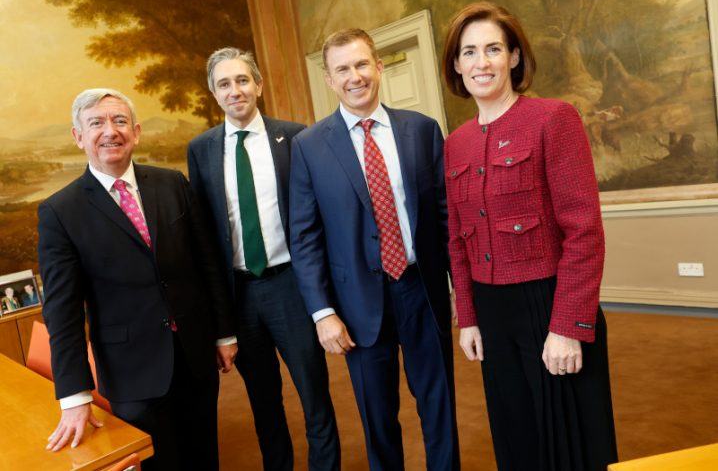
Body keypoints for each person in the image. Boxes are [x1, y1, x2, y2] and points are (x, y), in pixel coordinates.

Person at [442, 2, 618, 471]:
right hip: (491, 311)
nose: (482, 62)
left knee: (572, 443)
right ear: (456, 65)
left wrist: (566, 326)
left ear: (514, 57)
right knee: (517, 440)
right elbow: (457, 240)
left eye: (494, 49)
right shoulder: (454, 143)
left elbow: (584, 231)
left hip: (549, 302)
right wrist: (469, 317)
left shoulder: (553, 119)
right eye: (469, 52)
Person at [37, 88, 237, 470]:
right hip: (132, 374)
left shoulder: (172, 183)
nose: (110, 131)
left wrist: (223, 333)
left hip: (195, 359)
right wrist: (75, 395)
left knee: (204, 457)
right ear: (78, 136)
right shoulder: (60, 212)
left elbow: (207, 264)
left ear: (136, 131)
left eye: (119, 120)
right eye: (96, 123)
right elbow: (61, 312)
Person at [290, 28, 459, 471]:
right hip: (357, 305)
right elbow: (304, 237)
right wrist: (322, 313)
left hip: (421, 290)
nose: (355, 76)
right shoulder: (308, 147)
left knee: (439, 406)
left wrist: (461, 290)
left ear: (378, 67)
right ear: (329, 79)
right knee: (378, 417)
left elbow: (445, 217)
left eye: (362, 64)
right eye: (342, 68)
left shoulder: (421, 131)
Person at [187, 47, 340, 471]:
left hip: (291, 286)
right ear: (213, 94)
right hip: (241, 297)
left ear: (258, 85)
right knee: (264, 403)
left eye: (241, 80)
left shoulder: (295, 137)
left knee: (315, 395)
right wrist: (220, 323)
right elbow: (205, 237)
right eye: (224, 84)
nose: (234, 90)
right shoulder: (200, 150)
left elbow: (319, 218)